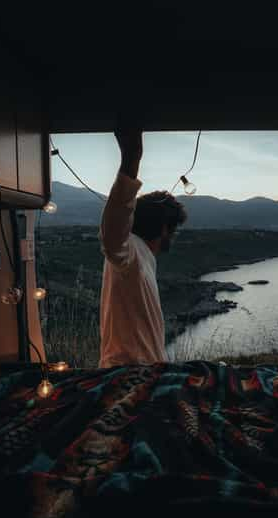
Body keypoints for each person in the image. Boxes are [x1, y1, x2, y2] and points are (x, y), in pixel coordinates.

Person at [98, 124, 188, 368]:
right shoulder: (131, 251)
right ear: (163, 228)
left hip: (148, 372)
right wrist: (131, 160)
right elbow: (112, 234)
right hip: (126, 374)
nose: (173, 236)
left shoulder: (144, 256)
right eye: (173, 229)